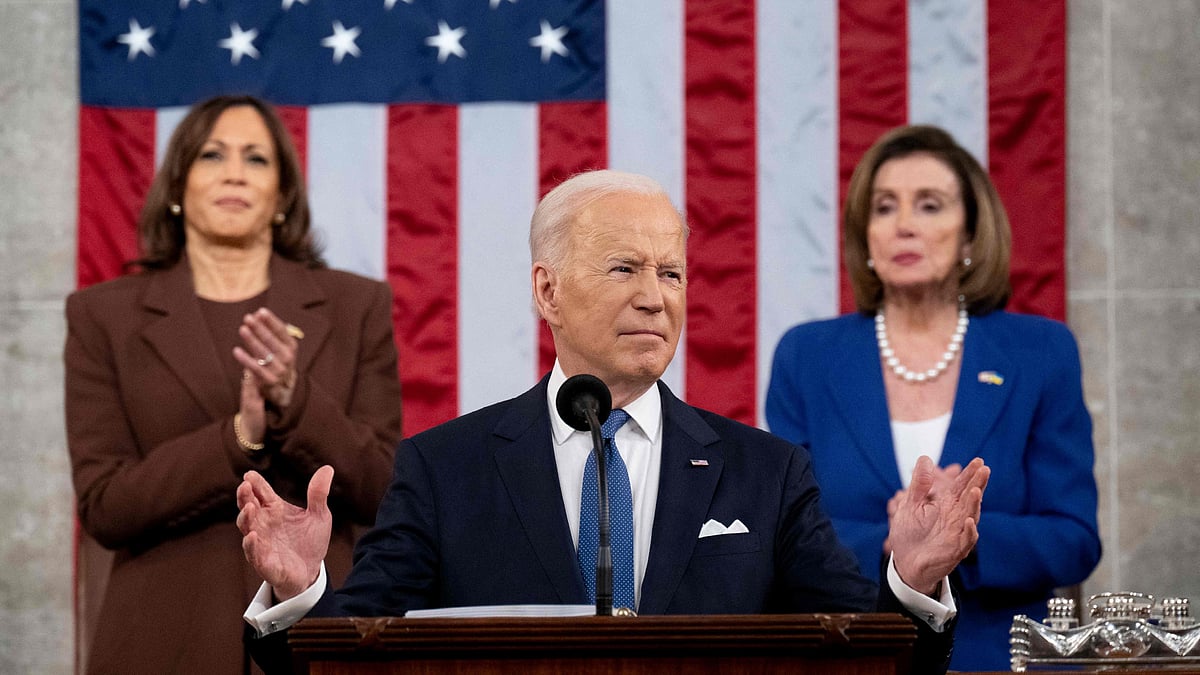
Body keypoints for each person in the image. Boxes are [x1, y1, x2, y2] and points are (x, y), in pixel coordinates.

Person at [237, 169, 989, 673]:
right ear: (548, 289)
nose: (656, 298)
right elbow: (347, 657)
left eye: (672, 273)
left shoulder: (767, 471)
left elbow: (867, 657)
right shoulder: (444, 468)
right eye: (625, 269)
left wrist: (914, 581)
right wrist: (302, 590)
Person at [64, 94, 403, 674]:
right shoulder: (104, 316)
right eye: (212, 155)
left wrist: (296, 406)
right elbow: (105, 507)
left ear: (282, 195)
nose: (234, 173)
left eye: (256, 159)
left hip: (321, 635)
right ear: (177, 185)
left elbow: (383, 489)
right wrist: (238, 437)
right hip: (163, 640)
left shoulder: (356, 305)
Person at [766, 125, 1101, 671]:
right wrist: (902, 542)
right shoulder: (807, 356)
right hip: (851, 655)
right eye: (884, 207)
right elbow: (784, 536)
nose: (903, 226)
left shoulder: (1041, 352)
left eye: (928, 206)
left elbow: (1074, 539)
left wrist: (955, 534)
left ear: (970, 234)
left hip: (1003, 659)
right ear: (865, 235)